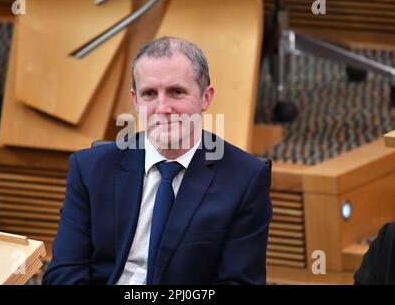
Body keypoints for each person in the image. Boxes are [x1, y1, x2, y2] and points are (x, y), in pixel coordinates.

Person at [43, 36, 272, 285]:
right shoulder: (89, 168)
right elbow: (63, 272)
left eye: (177, 92)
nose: (163, 108)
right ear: (135, 100)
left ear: (206, 98)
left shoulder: (245, 179)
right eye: (150, 93)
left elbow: (239, 283)